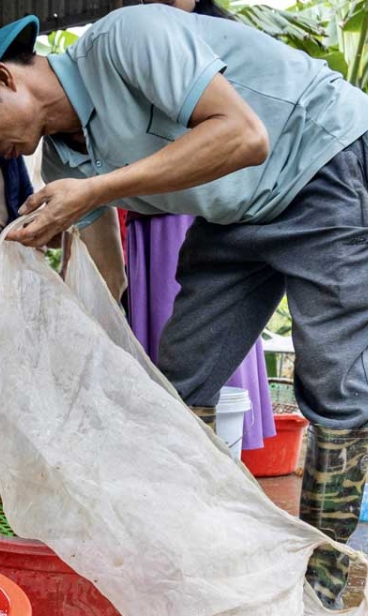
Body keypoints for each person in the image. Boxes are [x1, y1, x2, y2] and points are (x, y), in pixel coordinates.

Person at [0, 5, 368, 609]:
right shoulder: (64, 161)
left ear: (4, 79)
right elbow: (104, 278)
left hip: (324, 158)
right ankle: (184, 552)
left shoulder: (127, 38)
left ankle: (326, 583)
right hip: (237, 211)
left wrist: (96, 191)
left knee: (335, 381)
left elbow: (244, 136)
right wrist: (70, 372)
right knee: (179, 381)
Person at [124, 0, 276, 451]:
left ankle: (211, 453)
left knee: (203, 323)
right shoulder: (138, 37)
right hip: (151, 211)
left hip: (193, 205)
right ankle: (178, 456)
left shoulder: (213, 35)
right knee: (168, 337)